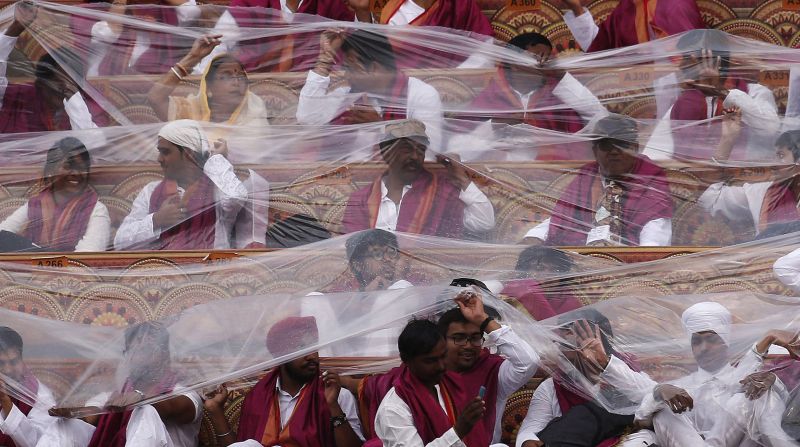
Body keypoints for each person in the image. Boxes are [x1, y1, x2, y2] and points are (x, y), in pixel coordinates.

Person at [635, 301, 800, 447]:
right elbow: (640, 422)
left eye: (711, 339)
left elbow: (779, 405)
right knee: (662, 411)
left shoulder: (745, 377)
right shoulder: (680, 388)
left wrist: (769, 340)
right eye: (696, 341)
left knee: (753, 395)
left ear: (726, 342)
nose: (704, 348)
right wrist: (658, 393)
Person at [203, 316, 364, 446]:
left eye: (314, 348)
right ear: (282, 356)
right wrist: (216, 410)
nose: (312, 356)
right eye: (302, 349)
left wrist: (333, 406)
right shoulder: (257, 398)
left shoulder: (338, 395)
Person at [522, 114, 672, 246]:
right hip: (581, 255)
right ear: (595, 151)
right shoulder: (587, 176)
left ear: (635, 148)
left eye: (622, 144)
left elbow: (655, 227)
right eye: (606, 145)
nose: (614, 151)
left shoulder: (650, 176)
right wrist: (535, 236)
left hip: (627, 258)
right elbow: (562, 216)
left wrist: (643, 257)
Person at [515, 310, 657, 447]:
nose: (560, 349)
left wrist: (605, 365)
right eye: (559, 342)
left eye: (566, 343)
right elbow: (530, 429)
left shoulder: (627, 375)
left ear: (600, 342)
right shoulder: (553, 386)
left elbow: (656, 397)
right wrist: (527, 440)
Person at [342, 120, 495, 238]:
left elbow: (484, 222)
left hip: (427, 269)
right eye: (407, 149)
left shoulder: (440, 193)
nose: (415, 156)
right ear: (386, 152)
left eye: (421, 150)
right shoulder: (361, 199)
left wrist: (461, 178)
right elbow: (353, 247)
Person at [296, 29, 444, 151]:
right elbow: (308, 119)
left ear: (374, 68)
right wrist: (324, 60)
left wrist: (380, 127)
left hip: (396, 178)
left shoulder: (421, 94)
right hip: (345, 175)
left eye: (350, 69)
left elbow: (430, 151)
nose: (346, 75)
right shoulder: (348, 95)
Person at [465, 33, 605, 160]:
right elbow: (460, 145)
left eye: (547, 59)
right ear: (514, 61)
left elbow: (600, 118)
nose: (542, 64)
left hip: (553, 172)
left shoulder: (557, 94)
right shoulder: (491, 96)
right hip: (499, 172)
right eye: (537, 57)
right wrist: (492, 126)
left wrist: (561, 75)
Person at [114, 120, 248, 250]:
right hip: (161, 265)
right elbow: (120, 242)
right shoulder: (150, 191)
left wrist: (216, 160)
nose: (159, 159)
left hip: (209, 264)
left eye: (165, 152)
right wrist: (157, 220)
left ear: (188, 154)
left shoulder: (218, 188)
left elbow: (236, 198)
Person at [647, 30, 779, 161]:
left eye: (687, 58)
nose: (680, 65)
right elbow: (654, 152)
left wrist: (721, 92)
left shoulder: (755, 92)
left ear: (713, 60)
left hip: (745, 173)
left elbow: (770, 129)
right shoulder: (687, 101)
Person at [437, 285, 539, 444]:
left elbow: (528, 361)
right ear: (442, 341)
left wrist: (483, 319)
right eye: (459, 338)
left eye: (475, 338)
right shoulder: (428, 373)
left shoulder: (494, 372)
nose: (468, 345)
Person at [373, 318, 495, 446]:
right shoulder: (393, 409)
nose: (441, 366)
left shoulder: (451, 383)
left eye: (443, 356)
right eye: (430, 361)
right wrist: (458, 431)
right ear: (406, 360)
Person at [84, 321, 203, 447]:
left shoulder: (185, 394)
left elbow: (171, 407)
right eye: (134, 350)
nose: (140, 356)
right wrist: (72, 414)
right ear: (126, 356)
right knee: (68, 424)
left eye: (147, 349)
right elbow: (88, 417)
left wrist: (140, 399)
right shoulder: (113, 396)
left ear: (165, 354)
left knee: (145, 409)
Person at [0, 3, 107, 133]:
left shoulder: (91, 106)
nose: (63, 88)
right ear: (41, 84)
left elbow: (93, 141)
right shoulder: (19, 98)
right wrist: (15, 29)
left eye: (71, 83)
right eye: (58, 83)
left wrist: (72, 97)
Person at [0, 137, 111, 252]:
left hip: (72, 264)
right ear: (51, 171)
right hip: (32, 263)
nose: (76, 173)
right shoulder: (36, 204)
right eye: (68, 167)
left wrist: (43, 257)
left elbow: (89, 254)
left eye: (82, 168)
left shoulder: (97, 209)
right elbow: (2, 233)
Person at [147, 35, 270, 128]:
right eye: (225, 77)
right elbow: (156, 98)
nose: (236, 82)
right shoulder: (191, 112)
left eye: (241, 77)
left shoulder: (253, 115)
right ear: (208, 88)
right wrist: (193, 57)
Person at [698, 130, 800, 238]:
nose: (775, 162)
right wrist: (727, 140)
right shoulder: (762, 190)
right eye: (776, 156)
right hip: (766, 248)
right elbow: (710, 201)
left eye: (781, 156)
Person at [0, 326, 77, 447]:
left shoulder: (40, 395)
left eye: (14, 362)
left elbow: (37, 442)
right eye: (1, 363)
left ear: (21, 360)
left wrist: (5, 401)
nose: (8, 370)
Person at [561, 0, 703, 52]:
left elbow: (694, 65)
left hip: (679, 96)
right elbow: (600, 51)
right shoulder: (628, 8)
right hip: (635, 96)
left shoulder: (678, 5)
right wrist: (576, 9)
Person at [501, 246, 583, 320]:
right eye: (539, 268)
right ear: (524, 270)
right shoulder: (520, 287)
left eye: (555, 270)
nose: (548, 274)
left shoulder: (566, 298)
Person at [344, 0, 492, 36]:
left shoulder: (460, 4)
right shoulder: (394, 13)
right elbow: (380, 59)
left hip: (462, 88)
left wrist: (452, 81)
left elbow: (485, 46)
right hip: (411, 91)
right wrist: (362, 13)